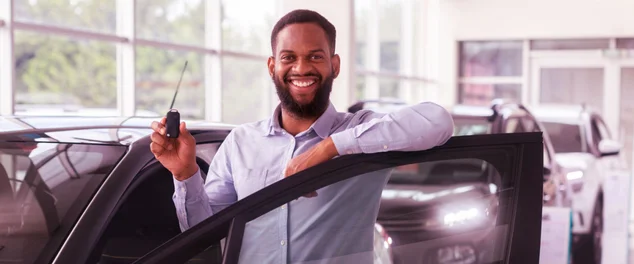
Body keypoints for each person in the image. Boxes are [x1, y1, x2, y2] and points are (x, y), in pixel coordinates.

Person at [150, 9, 454, 264]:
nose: (301, 68)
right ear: (273, 66)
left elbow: (436, 121)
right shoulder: (240, 142)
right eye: (288, 57)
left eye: (315, 57)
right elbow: (203, 234)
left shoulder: (359, 131)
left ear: (334, 65)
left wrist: (330, 147)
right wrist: (185, 173)